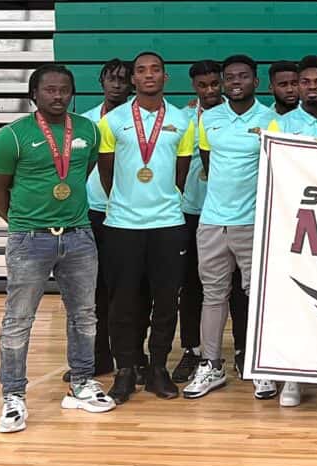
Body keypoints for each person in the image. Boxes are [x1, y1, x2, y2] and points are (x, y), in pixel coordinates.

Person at [0, 65, 116, 433]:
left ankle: (82, 383)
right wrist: (22, 222)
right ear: (34, 94)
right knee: (19, 319)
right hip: (29, 239)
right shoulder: (11, 136)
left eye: (64, 89)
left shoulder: (88, 130)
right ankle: (13, 396)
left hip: (79, 235)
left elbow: (83, 171)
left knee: (84, 315)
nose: (58, 95)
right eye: (49, 90)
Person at [98, 51, 195, 404]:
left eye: (156, 70)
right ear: (133, 80)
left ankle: (158, 369)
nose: (149, 75)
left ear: (166, 78)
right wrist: (127, 201)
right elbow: (106, 171)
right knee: (122, 302)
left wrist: (160, 200)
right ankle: (125, 371)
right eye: (141, 71)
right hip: (122, 224)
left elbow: (180, 173)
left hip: (168, 224)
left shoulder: (184, 120)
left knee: (167, 302)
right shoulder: (113, 121)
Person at [183, 55, 278, 401]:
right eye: (230, 77)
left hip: (252, 222)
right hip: (211, 221)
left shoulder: (271, 119)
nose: (236, 81)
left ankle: (260, 366)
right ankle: (212, 364)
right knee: (213, 295)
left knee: (256, 297)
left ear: (256, 81)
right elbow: (209, 162)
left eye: (244, 76)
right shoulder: (209, 117)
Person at [266, 55, 317, 407]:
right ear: (296, 86)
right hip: (292, 226)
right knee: (296, 300)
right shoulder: (277, 125)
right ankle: (294, 377)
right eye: (304, 82)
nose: (311, 87)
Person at [72, 58, 136, 383]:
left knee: (128, 292)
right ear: (101, 82)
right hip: (93, 214)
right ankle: (99, 358)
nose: (117, 84)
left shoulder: (140, 121)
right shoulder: (84, 122)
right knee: (92, 292)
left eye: (123, 79)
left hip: (129, 216)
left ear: (132, 85)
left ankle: (133, 359)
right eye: (111, 79)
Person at [173, 60, 224, 384]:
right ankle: (191, 350)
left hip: (231, 214)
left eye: (213, 84)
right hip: (191, 211)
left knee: (233, 290)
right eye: (202, 85)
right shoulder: (182, 118)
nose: (208, 90)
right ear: (194, 87)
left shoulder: (235, 117)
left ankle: (242, 353)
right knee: (190, 285)